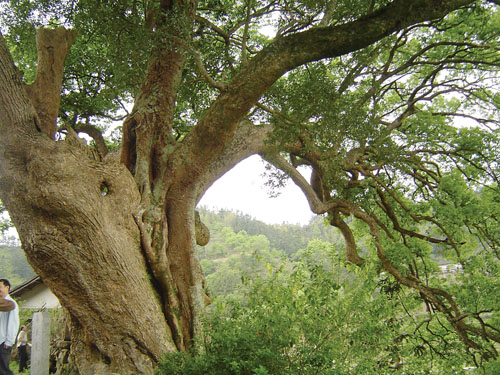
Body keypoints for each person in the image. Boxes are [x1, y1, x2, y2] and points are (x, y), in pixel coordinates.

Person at [0, 279, 19, 375]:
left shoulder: (11, 303)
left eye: (0, 287)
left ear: (7, 287)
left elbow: (13, 324)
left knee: (3, 370)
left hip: (3, 343)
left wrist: (9, 341)